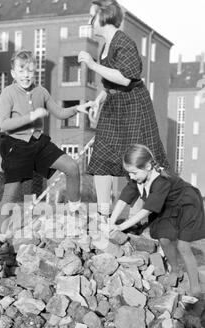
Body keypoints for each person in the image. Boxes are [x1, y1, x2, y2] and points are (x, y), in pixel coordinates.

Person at [78, 0, 169, 218]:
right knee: (102, 159)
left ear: (104, 17)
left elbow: (126, 78)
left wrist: (91, 64)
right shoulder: (106, 44)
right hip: (114, 106)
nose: (89, 21)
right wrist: (100, 97)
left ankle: (137, 222)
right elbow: (112, 80)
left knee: (136, 163)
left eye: (92, 17)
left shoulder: (124, 42)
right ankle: (103, 215)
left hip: (133, 108)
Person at [0, 49, 92, 235]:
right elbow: (4, 125)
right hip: (16, 146)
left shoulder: (41, 91)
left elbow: (59, 112)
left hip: (39, 143)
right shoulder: (7, 93)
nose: (26, 75)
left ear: (35, 72)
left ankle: (75, 213)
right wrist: (31, 116)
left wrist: (76, 108)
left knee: (72, 167)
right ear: (13, 73)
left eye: (30, 71)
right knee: (10, 194)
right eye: (22, 70)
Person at [109, 144, 205, 301]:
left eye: (134, 172)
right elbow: (124, 199)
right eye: (129, 173)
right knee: (164, 238)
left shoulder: (161, 182)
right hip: (167, 206)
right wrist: (111, 221)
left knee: (183, 246)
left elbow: (146, 211)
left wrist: (120, 227)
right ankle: (176, 270)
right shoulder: (138, 178)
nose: (131, 177)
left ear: (147, 166)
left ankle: (195, 290)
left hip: (187, 205)